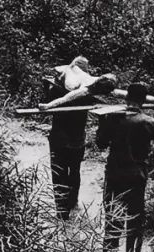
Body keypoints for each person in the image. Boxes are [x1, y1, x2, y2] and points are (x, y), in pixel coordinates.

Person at [94, 82, 154, 252]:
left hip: (114, 173)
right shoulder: (149, 122)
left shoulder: (113, 119)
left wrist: (102, 122)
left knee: (113, 214)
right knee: (135, 219)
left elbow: (100, 144)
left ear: (127, 97)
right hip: (136, 176)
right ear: (144, 100)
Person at [41, 57, 117, 220]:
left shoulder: (60, 90)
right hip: (77, 140)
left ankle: (62, 211)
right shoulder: (89, 94)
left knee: (59, 173)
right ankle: (72, 203)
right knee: (74, 171)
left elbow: (50, 101)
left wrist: (47, 102)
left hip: (60, 140)